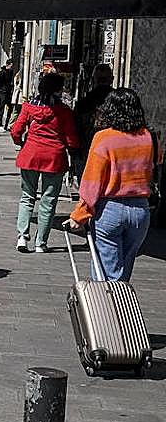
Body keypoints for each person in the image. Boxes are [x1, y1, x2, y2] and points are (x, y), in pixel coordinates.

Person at [65, 88, 161, 282]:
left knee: (106, 273)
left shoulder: (104, 138)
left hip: (110, 209)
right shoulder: (151, 137)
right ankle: (121, 307)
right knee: (124, 271)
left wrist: (80, 214)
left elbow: (93, 181)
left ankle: (108, 310)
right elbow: (156, 165)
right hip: (140, 210)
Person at [10, 72, 79, 254]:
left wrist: (22, 143)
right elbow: (71, 138)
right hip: (54, 158)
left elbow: (16, 130)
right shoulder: (64, 111)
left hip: (30, 155)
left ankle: (22, 237)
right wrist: (73, 149)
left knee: (27, 197)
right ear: (59, 90)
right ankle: (41, 242)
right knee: (48, 201)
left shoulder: (28, 107)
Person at [73, 64, 115, 164]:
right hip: (113, 152)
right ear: (111, 79)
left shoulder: (84, 102)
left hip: (88, 152)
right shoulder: (119, 101)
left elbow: (76, 128)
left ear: (93, 80)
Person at [0, 58, 16, 130]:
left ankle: (7, 124)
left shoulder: (11, 72)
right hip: (2, 92)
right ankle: (0, 124)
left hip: (8, 93)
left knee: (10, 108)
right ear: (7, 65)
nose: (11, 67)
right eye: (11, 66)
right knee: (1, 107)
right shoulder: (2, 72)